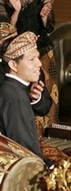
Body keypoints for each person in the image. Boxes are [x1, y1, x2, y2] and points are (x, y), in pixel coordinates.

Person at [0, 0, 58, 132]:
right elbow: (5, 32)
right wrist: (16, 11)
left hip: (42, 51)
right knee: (20, 94)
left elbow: (50, 27)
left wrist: (44, 17)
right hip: (17, 57)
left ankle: (47, 135)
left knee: (45, 94)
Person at [0, 31, 51, 162]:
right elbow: (23, 147)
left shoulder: (15, 89)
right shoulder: (13, 95)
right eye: (31, 59)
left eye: (38, 58)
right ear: (13, 65)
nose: (39, 64)